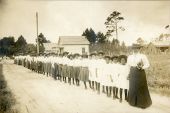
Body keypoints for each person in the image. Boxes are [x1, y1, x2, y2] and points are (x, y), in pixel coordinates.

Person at [127, 44, 152, 108]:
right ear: (132, 49)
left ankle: (142, 103)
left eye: (137, 48)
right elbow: (128, 66)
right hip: (132, 72)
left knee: (140, 86)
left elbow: (147, 64)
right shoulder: (130, 57)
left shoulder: (142, 56)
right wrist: (128, 73)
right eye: (134, 48)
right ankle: (133, 102)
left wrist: (142, 67)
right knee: (132, 86)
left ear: (139, 49)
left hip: (140, 72)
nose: (135, 49)